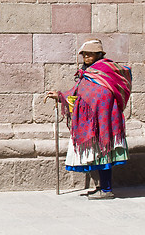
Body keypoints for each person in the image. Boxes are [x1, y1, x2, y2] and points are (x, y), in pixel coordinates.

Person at [46, 39, 132, 200]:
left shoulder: (106, 70)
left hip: (105, 120)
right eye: (84, 53)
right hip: (93, 121)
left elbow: (104, 95)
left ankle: (107, 190)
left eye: (90, 53)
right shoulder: (87, 73)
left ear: (99, 54)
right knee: (98, 155)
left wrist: (98, 111)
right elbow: (78, 92)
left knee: (105, 154)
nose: (86, 56)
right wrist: (60, 96)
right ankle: (101, 186)